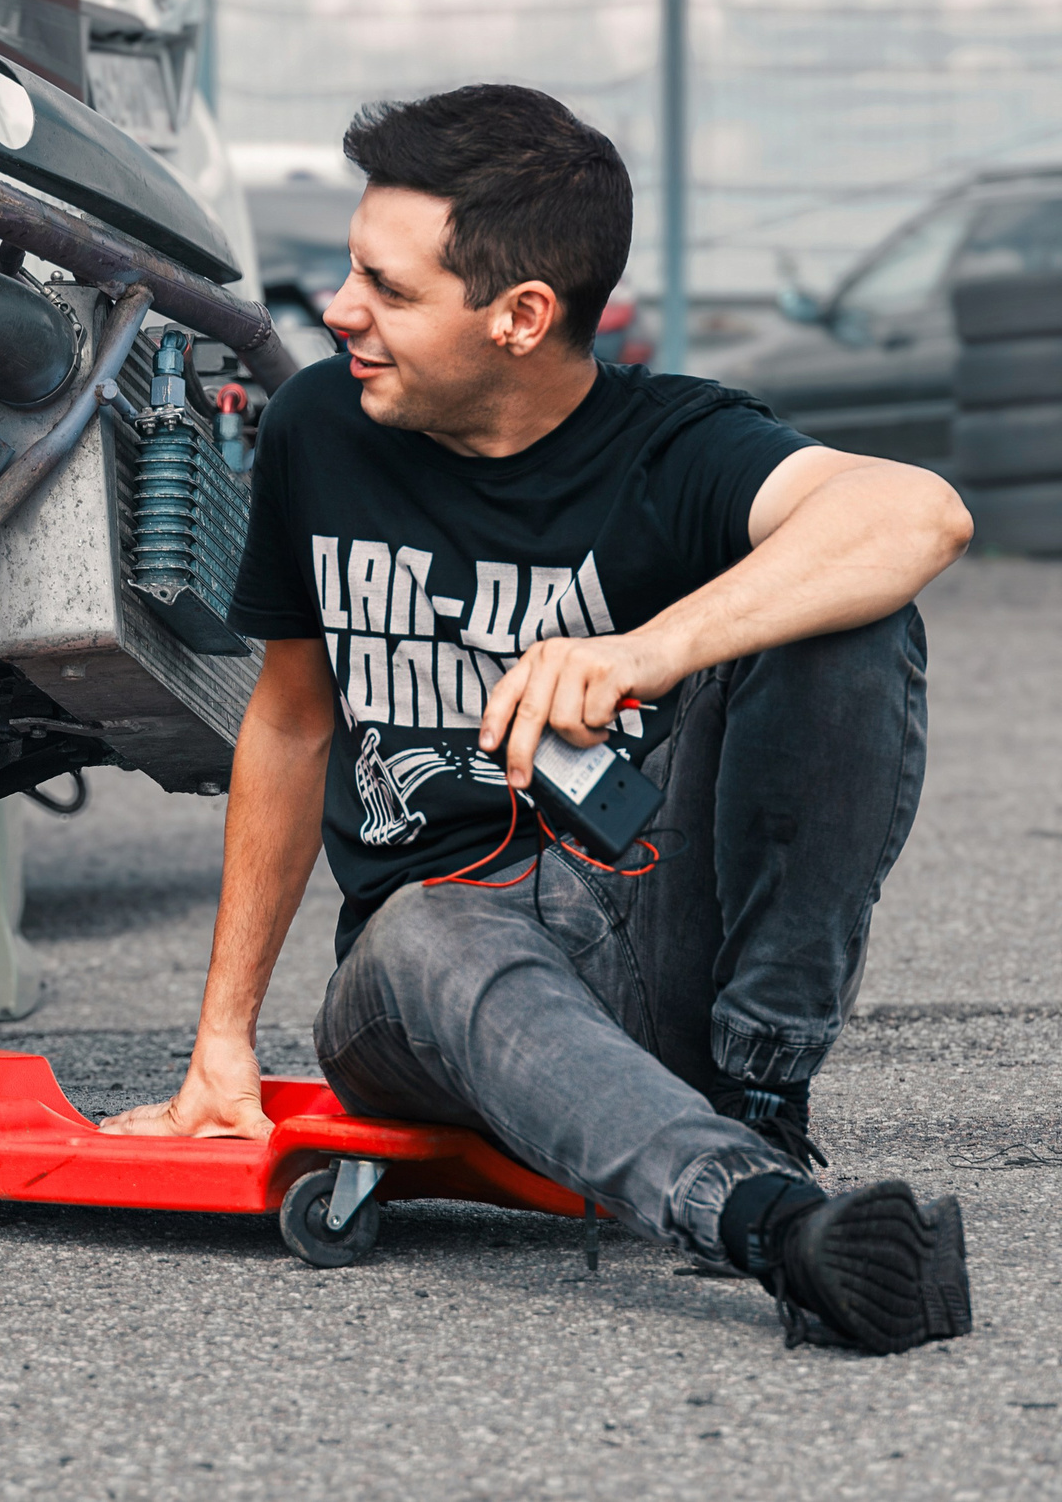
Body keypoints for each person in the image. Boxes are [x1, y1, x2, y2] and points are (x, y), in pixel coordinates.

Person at [104, 85, 975, 1355]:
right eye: (351, 271)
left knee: (847, 606)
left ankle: (762, 1091)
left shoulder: (671, 443)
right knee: (418, 932)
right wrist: (219, 1047)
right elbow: (290, 725)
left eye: (387, 291)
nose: (340, 313)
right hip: (420, 976)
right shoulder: (319, 429)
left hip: (642, 921)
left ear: (519, 317)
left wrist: (650, 646)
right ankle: (771, 1221)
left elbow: (920, 515)